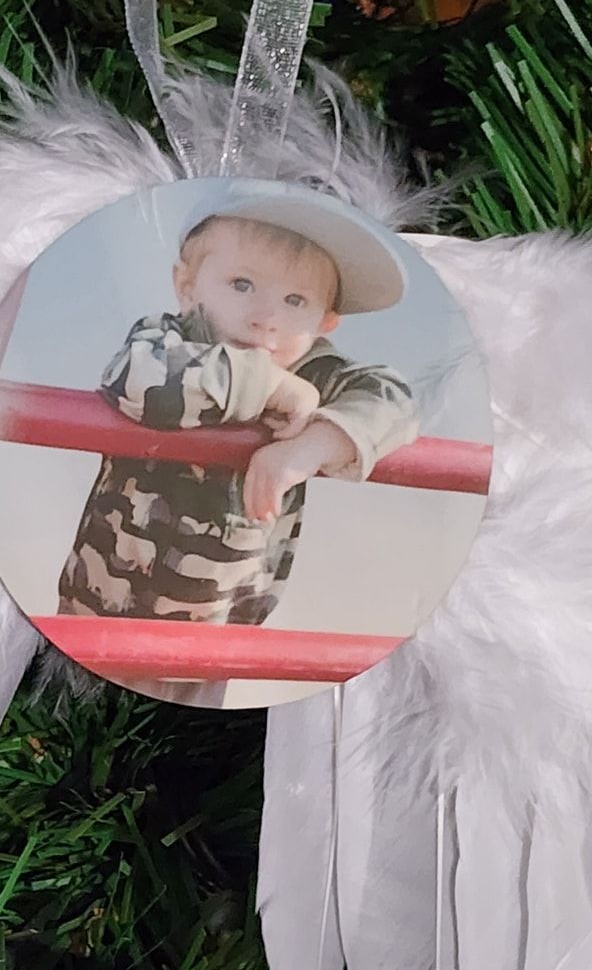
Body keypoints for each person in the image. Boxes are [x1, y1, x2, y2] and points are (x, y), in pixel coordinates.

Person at [57, 198, 418, 704]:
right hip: (99, 613)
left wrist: (313, 444)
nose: (266, 319)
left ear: (324, 323)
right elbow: (135, 380)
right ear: (187, 286)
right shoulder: (168, 339)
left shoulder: (316, 372)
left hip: (217, 635)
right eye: (242, 285)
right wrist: (269, 387)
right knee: (75, 711)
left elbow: (395, 399)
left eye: (296, 302)